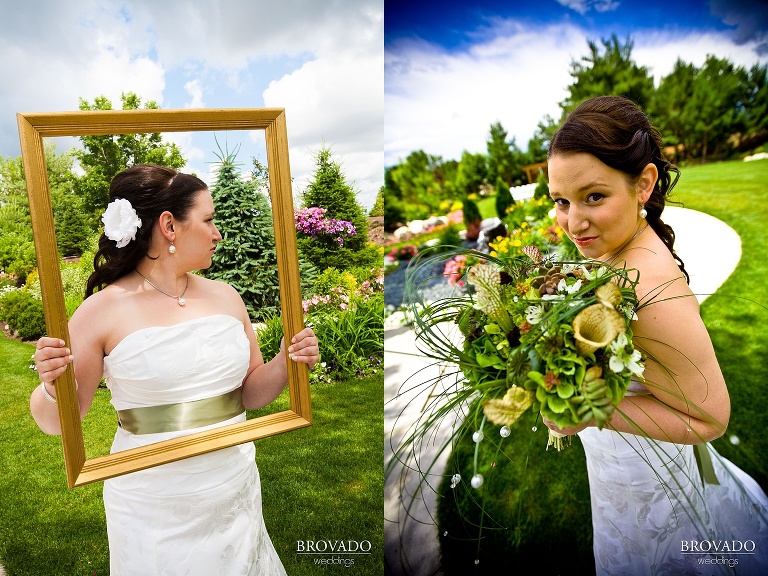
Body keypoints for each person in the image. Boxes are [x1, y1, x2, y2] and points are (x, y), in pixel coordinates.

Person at [31, 164, 319, 575]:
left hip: (232, 482)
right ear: (169, 225)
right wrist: (50, 385)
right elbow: (59, 422)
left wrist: (288, 361)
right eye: (208, 219)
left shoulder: (226, 296)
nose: (217, 233)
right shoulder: (101, 311)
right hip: (153, 501)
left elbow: (249, 393)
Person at [544, 95, 768, 575]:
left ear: (643, 183)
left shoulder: (646, 287)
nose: (573, 222)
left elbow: (710, 419)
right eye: (561, 201)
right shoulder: (617, 252)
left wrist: (587, 407)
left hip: (648, 481)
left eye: (594, 197)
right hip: (627, 468)